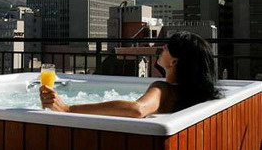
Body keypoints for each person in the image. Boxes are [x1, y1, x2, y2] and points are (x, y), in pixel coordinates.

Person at [39, 31, 221, 118]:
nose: (161, 48)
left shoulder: (162, 89)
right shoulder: (192, 93)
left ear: (174, 62)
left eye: (167, 47)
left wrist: (69, 109)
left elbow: (137, 109)